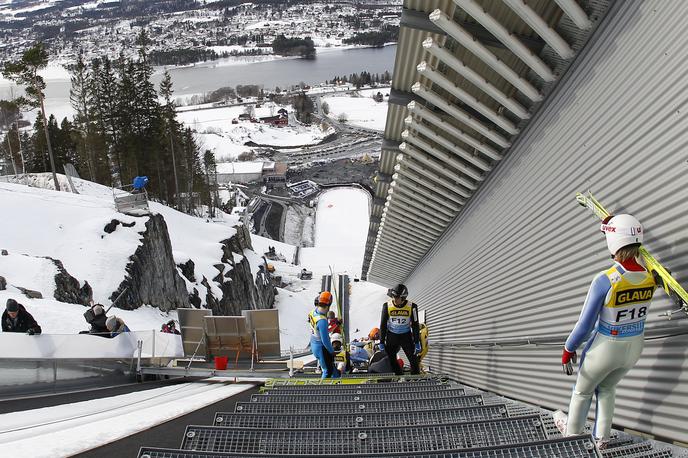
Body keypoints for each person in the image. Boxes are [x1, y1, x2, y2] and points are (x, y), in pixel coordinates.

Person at [553, 214, 661, 450]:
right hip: (634, 347)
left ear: (613, 241)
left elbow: (585, 325)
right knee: (608, 388)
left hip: (605, 346)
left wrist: (568, 348)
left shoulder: (606, 279)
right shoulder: (652, 277)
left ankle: (572, 435)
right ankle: (602, 440)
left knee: (582, 391)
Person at [379, 283, 421, 375]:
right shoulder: (387, 306)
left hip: (406, 336)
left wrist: (417, 341)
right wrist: (381, 341)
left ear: (403, 298)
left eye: (397, 297)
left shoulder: (412, 307)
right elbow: (383, 325)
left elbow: (415, 325)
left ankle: (416, 380)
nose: (394, 299)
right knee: (391, 359)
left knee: (413, 360)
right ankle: (399, 376)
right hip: (392, 336)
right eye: (393, 296)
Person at [308, 291, 340, 379]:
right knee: (327, 371)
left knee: (333, 370)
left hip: (314, 343)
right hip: (321, 348)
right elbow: (325, 340)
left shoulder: (313, 312)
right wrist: (332, 352)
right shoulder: (322, 321)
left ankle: (337, 380)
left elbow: (324, 331)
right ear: (329, 304)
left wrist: (336, 324)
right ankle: (322, 389)